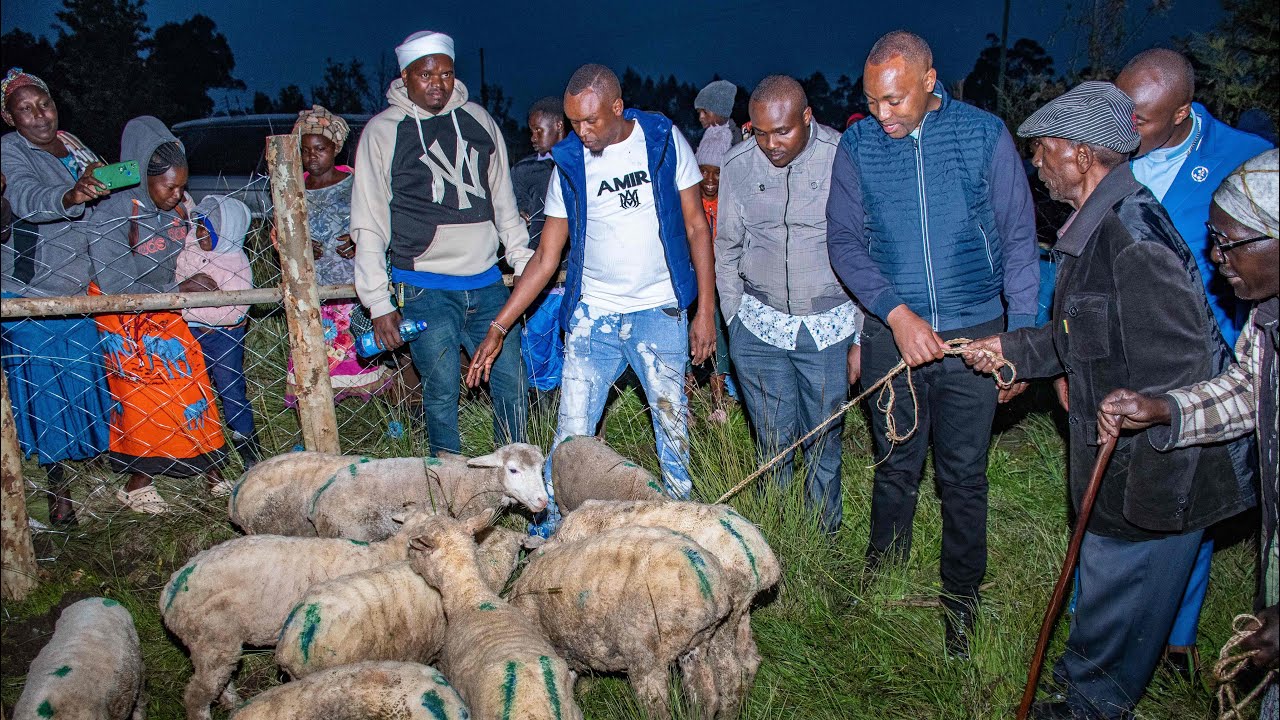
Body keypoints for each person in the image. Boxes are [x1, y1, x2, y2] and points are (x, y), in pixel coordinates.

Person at [963, 82, 1255, 720]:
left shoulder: (1133, 238)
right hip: (1115, 471)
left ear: (1079, 153)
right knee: (1103, 605)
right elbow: (1079, 332)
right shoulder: (1095, 227)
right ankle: (1081, 689)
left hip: (1155, 482)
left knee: (1123, 617)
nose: (1036, 163)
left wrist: (1142, 447)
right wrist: (1008, 348)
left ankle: (1090, 706)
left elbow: (1186, 375)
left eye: (1042, 149)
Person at [826, 30, 1038, 656]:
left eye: (894, 100)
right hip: (892, 335)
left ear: (928, 80)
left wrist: (1020, 341)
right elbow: (844, 242)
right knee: (895, 466)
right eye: (872, 101)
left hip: (975, 333)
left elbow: (1019, 240)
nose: (882, 114)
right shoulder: (859, 145)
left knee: (964, 476)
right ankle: (883, 583)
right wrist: (896, 316)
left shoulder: (983, 135)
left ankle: (961, 605)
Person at [467, 63, 717, 535]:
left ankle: (679, 531)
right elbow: (546, 257)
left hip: (659, 310)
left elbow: (696, 227)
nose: (581, 132)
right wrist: (499, 327)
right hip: (593, 315)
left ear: (618, 107)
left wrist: (704, 310)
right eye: (574, 122)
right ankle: (550, 534)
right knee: (571, 434)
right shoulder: (570, 164)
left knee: (673, 430)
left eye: (591, 121)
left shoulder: (662, 142)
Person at [1097, 148, 1279, 720]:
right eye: (1213, 238)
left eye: (1231, 243)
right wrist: (1162, 409)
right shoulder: (1267, 318)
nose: (1216, 256)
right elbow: (1248, 390)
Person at [1114, 47, 1272, 675]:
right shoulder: (1109, 148)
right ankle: (1105, 616)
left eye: (1139, 120)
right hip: (1131, 349)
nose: (1122, 129)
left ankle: (1176, 634)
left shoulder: (1244, 161)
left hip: (1206, 351)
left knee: (1190, 497)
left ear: (1182, 112)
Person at [351, 30, 533, 456]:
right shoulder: (383, 132)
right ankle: (448, 481)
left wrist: (523, 261)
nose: (438, 83)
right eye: (425, 74)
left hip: (488, 282)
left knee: (511, 383)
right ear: (405, 76)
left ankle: (516, 476)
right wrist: (378, 303)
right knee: (440, 392)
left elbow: (503, 198)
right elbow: (369, 221)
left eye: (446, 73)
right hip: (425, 287)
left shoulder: (478, 120)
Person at [716, 75, 863, 535]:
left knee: (823, 440)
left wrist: (860, 335)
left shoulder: (843, 157)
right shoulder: (738, 164)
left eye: (782, 131)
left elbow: (866, 248)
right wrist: (733, 317)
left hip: (827, 327)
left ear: (807, 117)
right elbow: (726, 247)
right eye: (760, 132)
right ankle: (775, 537)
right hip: (758, 326)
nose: (771, 144)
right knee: (772, 441)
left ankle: (823, 539)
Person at [87, 116, 229, 514]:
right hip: (120, 309)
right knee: (144, 392)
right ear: (142, 177)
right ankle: (138, 482)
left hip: (162, 303)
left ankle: (211, 469)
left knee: (193, 380)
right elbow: (117, 284)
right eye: (170, 187)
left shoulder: (176, 208)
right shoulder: (113, 212)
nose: (178, 195)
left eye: (183, 186)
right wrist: (180, 291)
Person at [0, 68, 112, 526]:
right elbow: (25, 197)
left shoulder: (75, 145)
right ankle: (58, 490)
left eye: (43, 103)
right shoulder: (10, 150)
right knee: (44, 393)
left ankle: (95, 462)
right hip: (31, 287)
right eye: (24, 109)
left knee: (84, 380)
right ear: (9, 118)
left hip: (81, 282)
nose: (39, 115)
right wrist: (70, 194)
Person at [285, 105, 390, 407]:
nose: (312, 157)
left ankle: (377, 416)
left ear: (336, 148)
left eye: (320, 149)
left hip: (353, 283)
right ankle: (317, 416)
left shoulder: (356, 183)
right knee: (314, 357)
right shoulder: (293, 187)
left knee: (361, 352)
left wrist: (362, 241)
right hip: (312, 286)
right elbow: (280, 232)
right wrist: (298, 246)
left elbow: (381, 220)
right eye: (306, 150)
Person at [175, 194, 260, 469]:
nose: (200, 233)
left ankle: (246, 441)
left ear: (226, 231)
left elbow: (234, 312)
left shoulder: (235, 263)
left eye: (207, 228)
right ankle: (199, 442)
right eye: (199, 226)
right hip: (191, 334)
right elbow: (191, 222)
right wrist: (186, 199)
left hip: (224, 337)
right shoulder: (193, 247)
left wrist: (189, 309)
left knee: (230, 388)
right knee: (194, 389)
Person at [511, 96, 569, 397]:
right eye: (530, 131)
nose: (533, 137)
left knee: (577, 346)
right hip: (542, 273)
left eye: (538, 130)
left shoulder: (583, 162)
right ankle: (543, 408)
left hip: (577, 272)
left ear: (558, 125)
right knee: (537, 343)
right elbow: (514, 214)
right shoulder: (525, 171)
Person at [694, 105, 735, 421]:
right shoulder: (691, 203)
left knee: (720, 337)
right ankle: (684, 405)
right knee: (689, 338)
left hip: (725, 282)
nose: (709, 179)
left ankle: (718, 404)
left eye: (717, 172)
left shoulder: (732, 203)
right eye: (703, 171)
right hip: (694, 282)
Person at [695, 79, 741, 145]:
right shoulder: (707, 137)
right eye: (699, 113)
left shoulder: (734, 138)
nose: (700, 118)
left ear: (720, 112)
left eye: (705, 112)